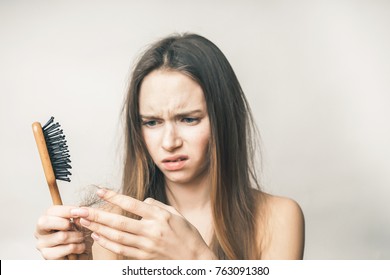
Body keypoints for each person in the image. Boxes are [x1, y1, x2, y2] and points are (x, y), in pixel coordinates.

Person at [35, 33, 305, 260]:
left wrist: (197, 259)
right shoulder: (109, 228)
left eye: (189, 119)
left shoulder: (278, 218)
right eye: (152, 122)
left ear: (224, 119)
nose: (169, 142)